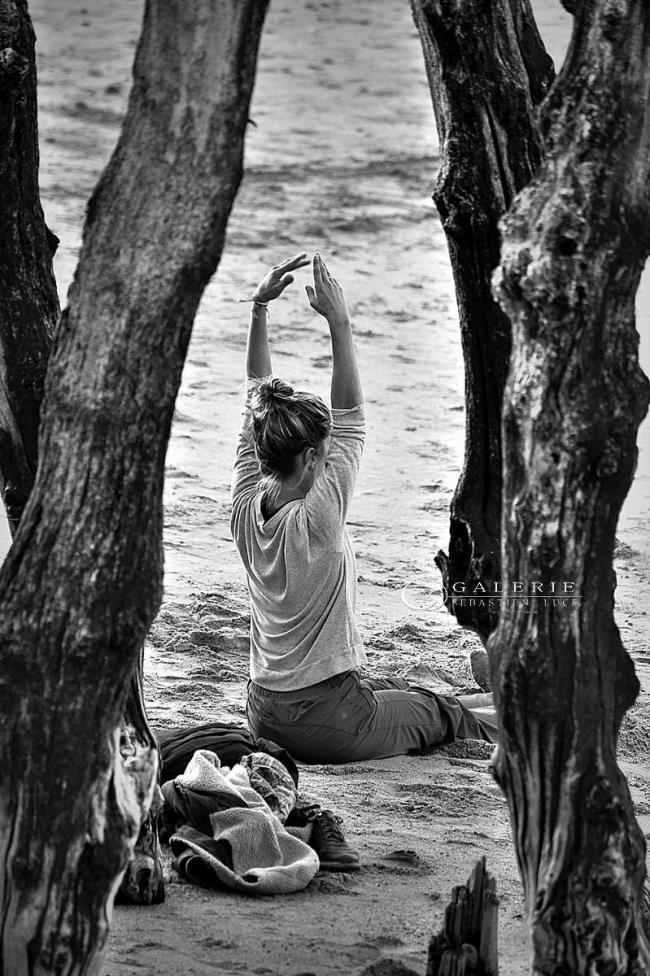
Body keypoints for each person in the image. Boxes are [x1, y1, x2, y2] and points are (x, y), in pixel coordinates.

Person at [230, 252, 497, 764]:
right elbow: (350, 419)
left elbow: (253, 406)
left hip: (263, 710)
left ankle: (487, 688)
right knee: (441, 717)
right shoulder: (319, 517)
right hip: (326, 725)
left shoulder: (245, 506)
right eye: (325, 453)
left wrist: (258, 310)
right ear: (311, 459)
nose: (332, 457)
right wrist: (339, 321)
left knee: (395, 688)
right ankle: (508, 708)